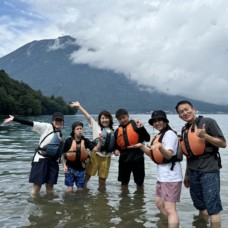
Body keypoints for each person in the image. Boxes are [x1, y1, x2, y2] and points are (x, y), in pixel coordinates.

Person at [175, 100, 226, 225]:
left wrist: (206, 136)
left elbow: (223, 143)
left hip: (209, 170)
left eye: (187, 109)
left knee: (213, 208)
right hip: (193, 171)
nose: (185, 113)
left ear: (193, 109)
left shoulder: (208, 122)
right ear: (179, 116)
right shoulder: (184, 129)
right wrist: (187, 174)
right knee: (200, 205)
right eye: (181, 112)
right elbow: (189, 155)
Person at [129, 110, 183, 226]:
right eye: (154, 121)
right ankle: (167, 223)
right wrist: (142, 147)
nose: (157, 123)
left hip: (171, 177)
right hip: (162, 176)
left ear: (165, 121)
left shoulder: (169, 134)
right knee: (159, 203)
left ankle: (172, 222)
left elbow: (168, 155)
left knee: (170, 208)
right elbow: (153, 155)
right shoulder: (159, 135)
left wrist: (160, 147)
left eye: (159, 120)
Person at [3, 112, 65, 195]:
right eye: (56, 120)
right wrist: (14, 119)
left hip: (53, 162)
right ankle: (34, 203)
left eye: (60, 120)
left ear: (63, 122)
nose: (58, 122)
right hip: (41, 159)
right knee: (37, 186)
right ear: (52, 121)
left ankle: (49, 205)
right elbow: (30, 123)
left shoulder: (59, 133)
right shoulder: (46, 127)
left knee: (50, 187)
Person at [69, 101, 115, 190]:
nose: (105, 120)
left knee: (102, 180)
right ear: (100, 119)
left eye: (107, 118)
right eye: (103, 118)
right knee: (87, 176)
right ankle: (82, 192)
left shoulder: (114, 130)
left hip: (107, 157)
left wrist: (116, 150)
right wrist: (79, 106)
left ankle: (101, 198)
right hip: (95, 155)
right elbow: (88, 117)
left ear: (110, 119)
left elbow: (115, 144)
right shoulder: (96, 127)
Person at [114, 108, 150, 189]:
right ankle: (124, 200)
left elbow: (147, 138)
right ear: (118, 120)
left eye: (124, 117)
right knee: (124, 182)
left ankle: (139, 199)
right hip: (124, 157)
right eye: (120, 119)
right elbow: (116, 146)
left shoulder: (136, 125)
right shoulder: (117, 131)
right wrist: (115, 150)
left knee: (139, 182)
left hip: (137, 156)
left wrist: (142, 128)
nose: (122, 120)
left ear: (128, 116)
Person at [61, 121, 99, 192]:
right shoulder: (68, 141)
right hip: (70, 168)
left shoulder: (86, 141)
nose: (79, 130)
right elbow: (63, 155)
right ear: (73, 131)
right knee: (70, 190)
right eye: (77, 129)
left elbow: (96, 149)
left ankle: (79, 202)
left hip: (81, 169)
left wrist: (100, 141)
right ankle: (70, 202)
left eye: (81, 128)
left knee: (80, 190)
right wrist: (64, 166)